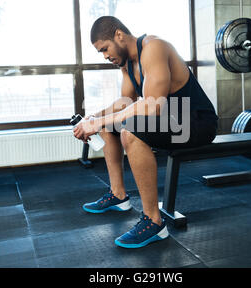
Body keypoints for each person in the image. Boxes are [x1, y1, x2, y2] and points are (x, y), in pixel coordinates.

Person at [73, 16, 218, 248]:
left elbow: (152, 104)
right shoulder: (126, 65)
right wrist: (95, 118)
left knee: (130, 131)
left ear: (119, 35)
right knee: (111, 126)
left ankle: (154, 222)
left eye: (105, 48)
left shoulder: (154, 47)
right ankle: (118, 195)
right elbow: (125, 104)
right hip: (171, 119)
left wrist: (100, 122)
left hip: (197, 122)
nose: (105, 55)